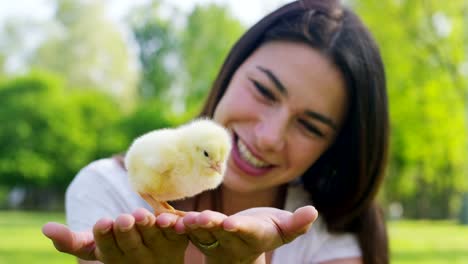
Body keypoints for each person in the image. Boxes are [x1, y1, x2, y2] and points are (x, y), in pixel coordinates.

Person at [42, 0, 389, 263]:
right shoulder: (108, 192)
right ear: (230, 73)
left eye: (310, 126)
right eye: (264, 91)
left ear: (333, 146)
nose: (269, 136)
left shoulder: (324, 227)